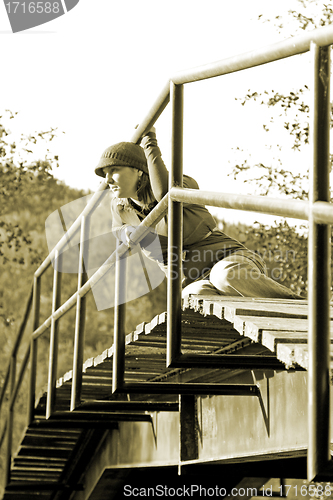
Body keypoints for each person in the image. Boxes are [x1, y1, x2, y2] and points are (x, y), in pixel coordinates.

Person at [94, 128, 301, 299]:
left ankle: (305, 308)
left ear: (139, 170)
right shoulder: (120, 207)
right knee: (195, 296)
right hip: (194, 280)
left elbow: (165, 193)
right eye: (105, 174)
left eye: (115, 170)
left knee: (225, 277)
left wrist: (149, 142)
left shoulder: (182, 185)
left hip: (229, 260)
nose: (108, 179)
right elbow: (117, 230)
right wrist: (126, 233)